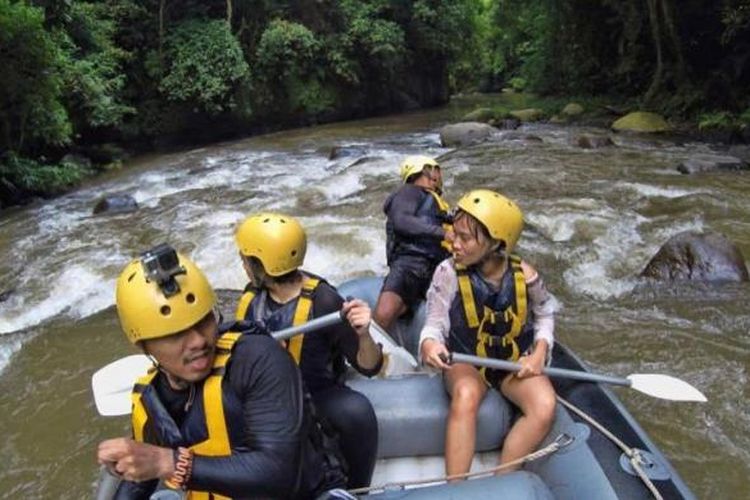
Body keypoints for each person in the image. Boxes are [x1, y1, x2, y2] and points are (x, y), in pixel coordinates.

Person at [96, 243, 349, 499]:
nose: (198, 341)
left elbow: (281, 473)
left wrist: (169, 463)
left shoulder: (257, 359)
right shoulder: (152, 398)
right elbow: (141, 479)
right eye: (175, 334)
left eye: (204, 321)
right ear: (142, 344)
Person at [234, 213, 383, 489]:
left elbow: (369, 366)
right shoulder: (251, 297)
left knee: (357, 412)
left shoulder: (323, 300)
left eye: (245, 259)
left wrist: (363, 335)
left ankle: (355, 490)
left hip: (316, 393)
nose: (243, 265)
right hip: (269, 397)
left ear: (260, 264)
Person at [419, 189, 557, 478]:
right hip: (467, 360)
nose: (453, 243)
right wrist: (430, 342)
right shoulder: (447, 272)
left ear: (497, 243)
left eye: (465, 238)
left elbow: (545, 312)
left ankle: (502, 479)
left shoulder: (526, 275)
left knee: (544, 405)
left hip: (510, 363)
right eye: (454, 233)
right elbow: (435, 319)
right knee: (467, 393)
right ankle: (457, 488)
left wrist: (540, 352)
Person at [374, 155, 452, 334]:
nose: (439, 176)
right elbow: (402, 221)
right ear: (425, 170)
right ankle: (367, 357)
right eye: (436, 171)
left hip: (438, 267)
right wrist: (444, 233)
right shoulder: (409, 191)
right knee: (385, 313)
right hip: (411, 263)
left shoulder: (439, 204)